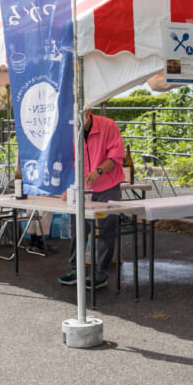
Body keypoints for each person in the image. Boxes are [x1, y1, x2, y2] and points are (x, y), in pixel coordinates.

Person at [58, 108, 125, 290]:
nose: (76, 125)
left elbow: (116, 156)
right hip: (81, 187)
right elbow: (68, 162)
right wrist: (67, 187)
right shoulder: (70, 131)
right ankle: (75, 270)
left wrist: (98, 171)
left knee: (106, 230)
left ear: (87, 112)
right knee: (78, 229)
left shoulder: (108, 125)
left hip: (108, 185)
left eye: (79, 120)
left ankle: (101, 275)